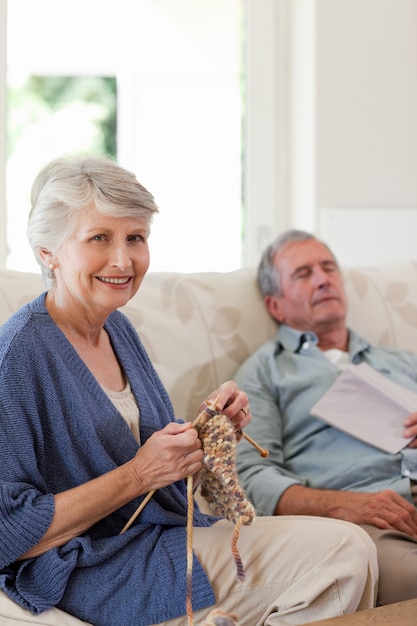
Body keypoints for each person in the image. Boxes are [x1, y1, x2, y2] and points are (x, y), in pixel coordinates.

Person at [0, 159, 377, 626]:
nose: (123, 260)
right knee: (344, 552)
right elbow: (8, 531)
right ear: (46, 252)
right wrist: (139, 475)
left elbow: (161, 473)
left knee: (351, 548)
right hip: (97, 568)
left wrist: (203, 433)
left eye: (135, 238)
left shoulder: (118, 330)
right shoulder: (19, 354)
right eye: (100, 238)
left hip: (163, 541)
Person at [235, 228, 417, 608]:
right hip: (367, 517)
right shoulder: (265, 371)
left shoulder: (402, 362)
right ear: (276, 307)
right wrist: (342, 505)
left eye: (328, 267)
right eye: (303, 274)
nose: (323, 279)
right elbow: (250, 477)